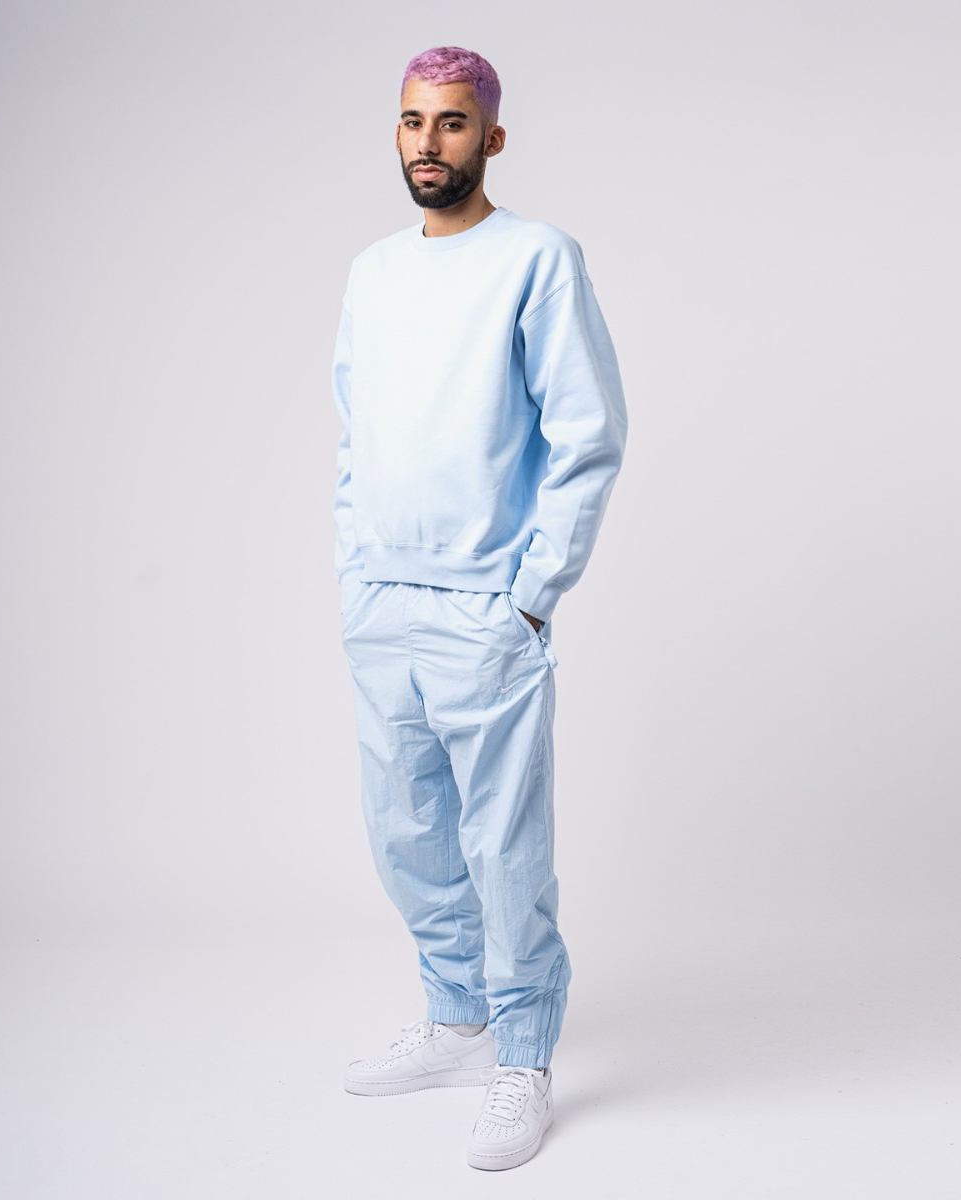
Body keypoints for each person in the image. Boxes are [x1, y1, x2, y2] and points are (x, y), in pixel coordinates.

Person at [331, 45, 627, 1171]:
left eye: (452, 123)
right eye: (414, 121)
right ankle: (457, 1024)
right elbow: (354, 435)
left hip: (485, 609)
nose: (429, 142)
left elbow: (587, 434)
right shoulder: (372, 272)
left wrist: (532, 598)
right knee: (406, 832)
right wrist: (356, 574)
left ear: (491, 138)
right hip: (384, 604)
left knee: (504, 845)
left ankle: (524, 1058)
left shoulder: (536, 258)